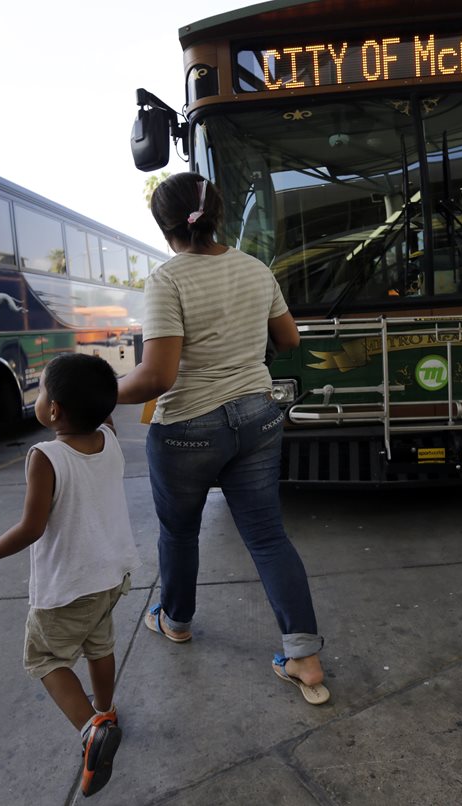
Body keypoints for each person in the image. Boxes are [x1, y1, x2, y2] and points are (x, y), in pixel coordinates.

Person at [117, 172, 330, 706]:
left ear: (165, 225)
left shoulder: (167, 280)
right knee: (266, 536)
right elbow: (288, 338)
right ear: (220, 215)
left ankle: (177, 620)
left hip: (187, 428)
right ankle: (303, 657)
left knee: (180, 531)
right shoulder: (256, 270)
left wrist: (97, 393)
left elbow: (158, 378)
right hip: (258, 419)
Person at [0, 353, 140, 797]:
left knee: (44, 658)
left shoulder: (46, 456)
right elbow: (105, 413)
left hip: (69, 585)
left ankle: (92, 729)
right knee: (100, 645)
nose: (38, 398)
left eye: (41, 392)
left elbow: (32, 527)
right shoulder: (110, 439)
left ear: (54, 410)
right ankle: (107, 709)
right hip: (111, 576)